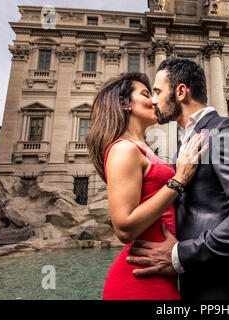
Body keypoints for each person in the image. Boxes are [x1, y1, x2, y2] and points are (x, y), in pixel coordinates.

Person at [126, 59, 229, 300]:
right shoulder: (186, 143)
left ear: (181, 92)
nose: (153, 100)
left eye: (157, 91)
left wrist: (180, 254)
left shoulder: (227, 130)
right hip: (200, 283)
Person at [86, 72, 208, 300]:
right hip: (139, 280)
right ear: (124, 104)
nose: (154, 100)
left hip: (158, 269)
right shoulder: (124, 149)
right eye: (145, 94)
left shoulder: (142, 148)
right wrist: (179, 179)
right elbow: (124, 228)